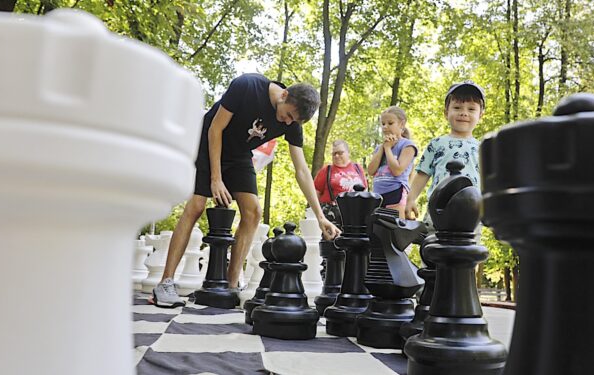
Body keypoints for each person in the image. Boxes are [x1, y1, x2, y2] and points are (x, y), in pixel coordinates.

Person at [153, 73, 341, 308]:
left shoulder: (292, 122)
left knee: (253, 212)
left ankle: (231, 287)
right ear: (284, 95)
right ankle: (165, 283)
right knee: (197, 206)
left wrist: (321, 217)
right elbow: (215, 129)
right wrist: (216, 179)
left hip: (239, 154)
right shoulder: (248, 86)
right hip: (208, 141)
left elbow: (302, 171)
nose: (287, 123)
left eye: (294, 121)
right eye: (289, 115)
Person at [404, 81, 485, 226]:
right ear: (446, 112)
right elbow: (423, 174)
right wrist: (410, 199)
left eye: (471, 109)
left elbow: (487, 181)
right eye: (457, 107)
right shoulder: (436, 144)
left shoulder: (482, 148)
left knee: (469, 248)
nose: (464, 113)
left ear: (481, 115)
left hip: (471, 211)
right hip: (438, 209)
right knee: (433, 245)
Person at [367, 106, 418, 219]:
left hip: (396, 192)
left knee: (395, 230)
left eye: (390, 123)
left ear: (401, 124)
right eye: (383, 124)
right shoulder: (380, 148)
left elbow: (397, 170)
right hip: (378, 194)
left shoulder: (407, 145)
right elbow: (371, 171)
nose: (385, 127)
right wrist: (383, 148)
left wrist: (388, 149)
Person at [313, 140, 368, 224]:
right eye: (334, 154)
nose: (337, 156)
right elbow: (315, 195)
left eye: (340, 153)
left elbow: (365, 190)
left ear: (348, 153)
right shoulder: (326, 171)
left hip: (355, 214)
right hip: (333, 216)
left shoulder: (358, 168)